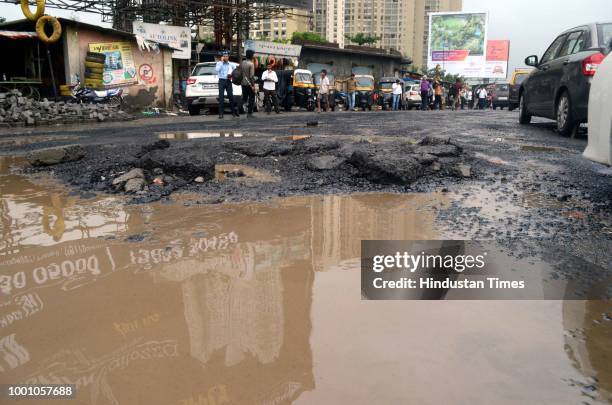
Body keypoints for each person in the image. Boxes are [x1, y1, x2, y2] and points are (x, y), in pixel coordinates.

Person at [215, 51, 238, 119]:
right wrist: (222, 62)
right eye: (224, 56)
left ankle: (233, 112)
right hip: (221, 80)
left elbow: (236, 72)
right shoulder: (219, 63)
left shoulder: (231, 64)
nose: (225, 57)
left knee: (231, 96)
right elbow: (217, 70)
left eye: (226, 56)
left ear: (228, 57)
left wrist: (232, 75)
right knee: (221, 97)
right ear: (222, 57)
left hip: (228, 81)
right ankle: (221, 114)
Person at [240, 50, 256, 118]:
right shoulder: (251, 64)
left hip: (243, 83)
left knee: (244, 98)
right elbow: (251, 76)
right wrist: (253, 85)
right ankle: (249, 113)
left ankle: (238, 109)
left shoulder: (242, 62)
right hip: (249, 84)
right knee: (252, 98)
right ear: (251, 55)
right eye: (253, 54)